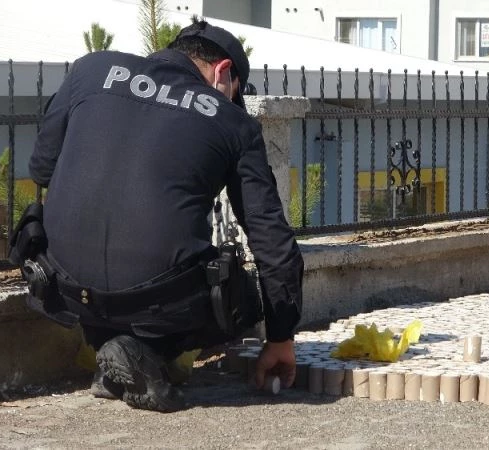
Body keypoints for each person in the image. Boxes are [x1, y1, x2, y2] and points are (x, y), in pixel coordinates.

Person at [26, 20, 304, 412]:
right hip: (152, 296)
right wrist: (281, 339)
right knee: (240, 295)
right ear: (223, 71)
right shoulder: (233, 122)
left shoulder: (89, 69)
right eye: (234, 92)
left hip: (59, 283)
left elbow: (41, 169)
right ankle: (141, 349)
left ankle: (112, 355)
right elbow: (273, 244)